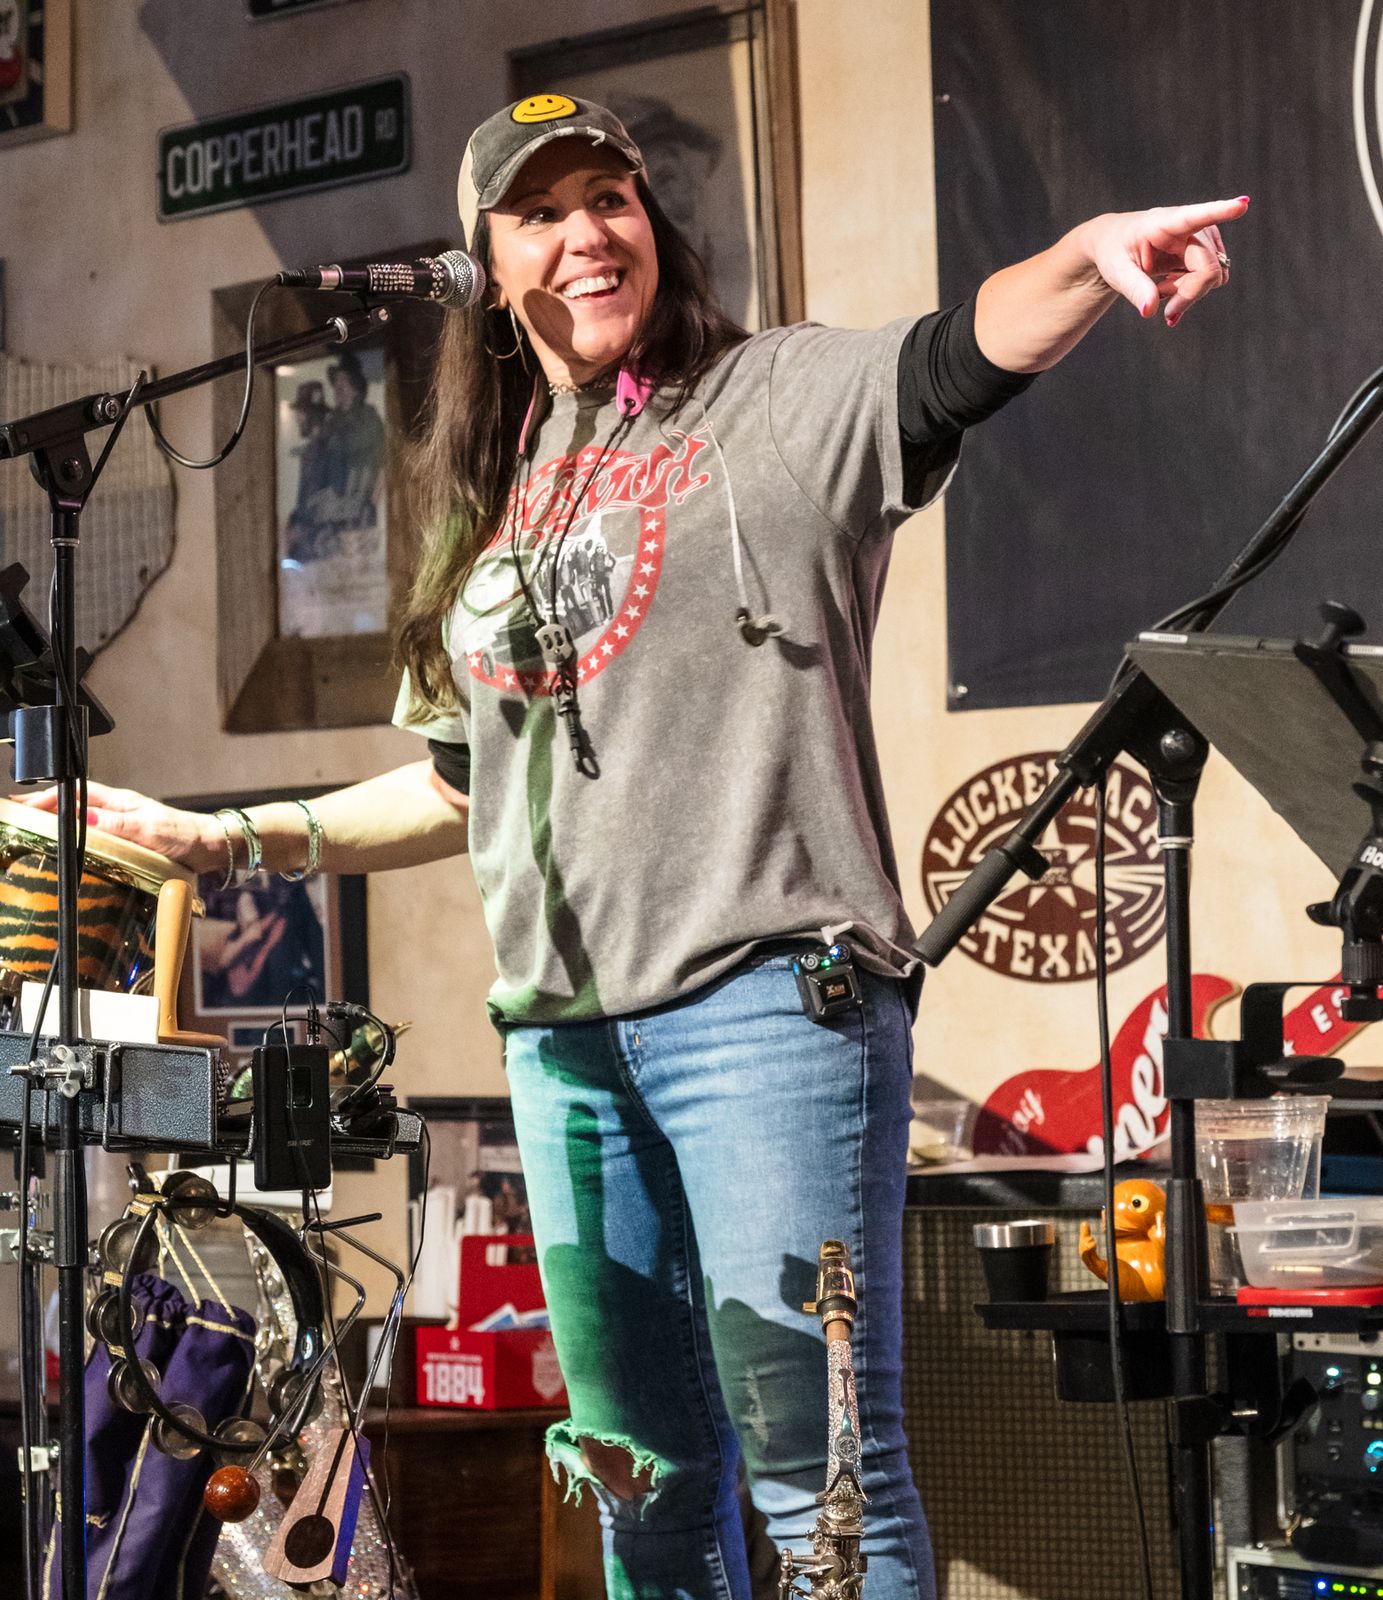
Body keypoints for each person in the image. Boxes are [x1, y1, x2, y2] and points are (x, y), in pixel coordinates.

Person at [29, 95, 1242, 1600]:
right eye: (539, 214)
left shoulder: (769, 400)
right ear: (487, 269)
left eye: (609, 197)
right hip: (564, 1047)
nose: (587, 233)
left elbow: (956, 355)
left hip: (767, 1013)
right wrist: (232, 840)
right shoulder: (485, 493)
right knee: (639, 1485)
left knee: (822, 1486)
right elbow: (461, 785)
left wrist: (1088, 253)